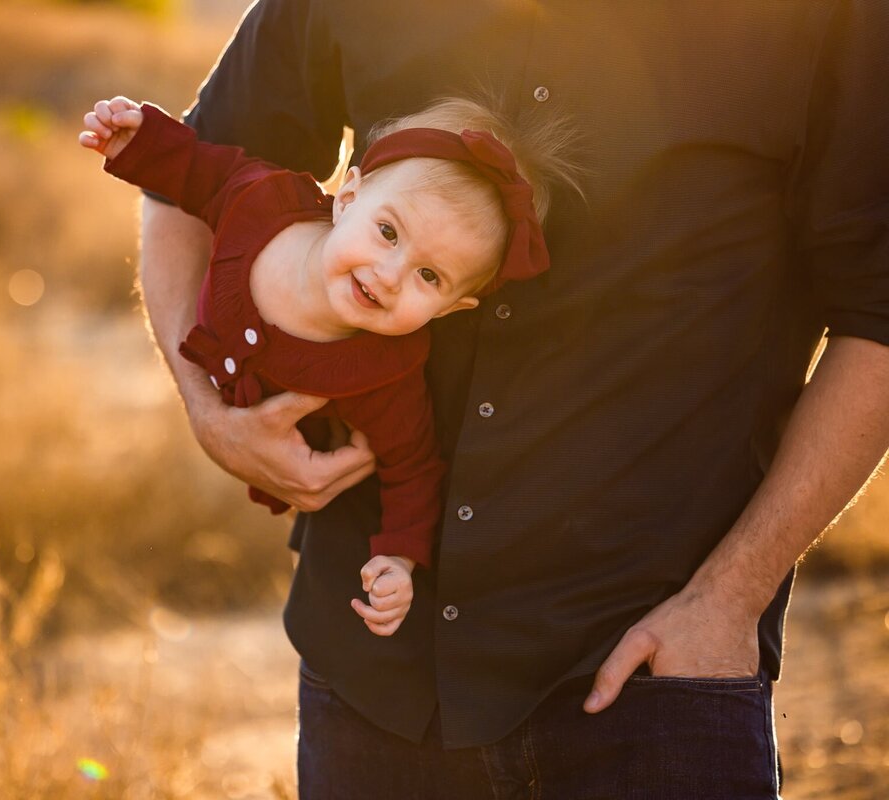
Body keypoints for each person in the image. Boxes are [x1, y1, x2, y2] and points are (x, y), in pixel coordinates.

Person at [137, 1, 889, 796]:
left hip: (649, 671)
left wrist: (728, 600)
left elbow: (878, 319)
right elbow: (194, 177)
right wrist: (211, 412)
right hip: (375, 665)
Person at [83, 93, 575, 636]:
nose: (389, 274)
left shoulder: (381, 373)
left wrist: (399, 560)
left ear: (452, 309)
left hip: (286, 481)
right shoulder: (262, 201)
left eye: (429, 277)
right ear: (348, 198)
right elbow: (200, 171)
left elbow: (414, 468)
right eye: (388, 232)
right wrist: (140, 140)